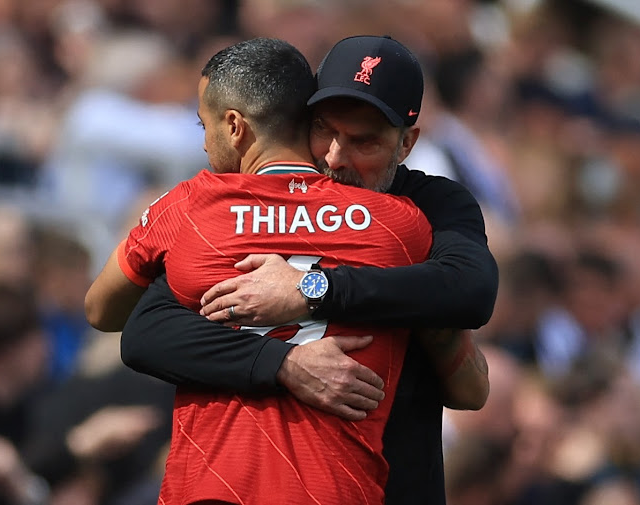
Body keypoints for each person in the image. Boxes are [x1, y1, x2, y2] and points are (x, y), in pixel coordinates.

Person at [106, 35, 497, 505]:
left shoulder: (429, 204)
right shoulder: (246, 203)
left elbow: (471, 290)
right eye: (324, 130)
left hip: (394, 477)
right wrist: (284, 364)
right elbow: (149, 330)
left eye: (363, 141)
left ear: (407, 143)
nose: (334, 157)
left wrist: (312, 289)